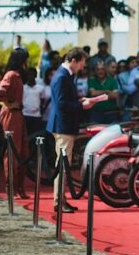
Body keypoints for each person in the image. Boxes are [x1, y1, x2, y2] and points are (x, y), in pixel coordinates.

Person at [47, 49, 97, 213]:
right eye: (81, 63)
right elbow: (62, 105)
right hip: (63, 126)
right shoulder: (62, 76)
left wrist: (78, 101)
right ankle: (58, 201)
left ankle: (61, 199)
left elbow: (64, 101)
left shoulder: (64, 75)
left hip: (64, 125)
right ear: (73, 60)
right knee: (63, 164)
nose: (82, 67)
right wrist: (81, 105)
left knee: (64, 163)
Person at [0, 48, 30, 197]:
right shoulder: (11, 75)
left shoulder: (17, 75)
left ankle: (19, 188)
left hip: (18, 114)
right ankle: (11, 187)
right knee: (12, 151)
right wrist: (9, 104)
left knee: (23, 150)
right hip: (11, 114)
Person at [87, 60, 121, 125]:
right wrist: (107, 91)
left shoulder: (112, 80)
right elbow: (93, 93)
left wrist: (98, 95)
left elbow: (115, 95)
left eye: (102, 69)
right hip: (96, 112)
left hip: (111, 112)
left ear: (105, 70)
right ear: (95, 71)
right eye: (98, 69)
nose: (100, 71)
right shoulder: (92, 80)